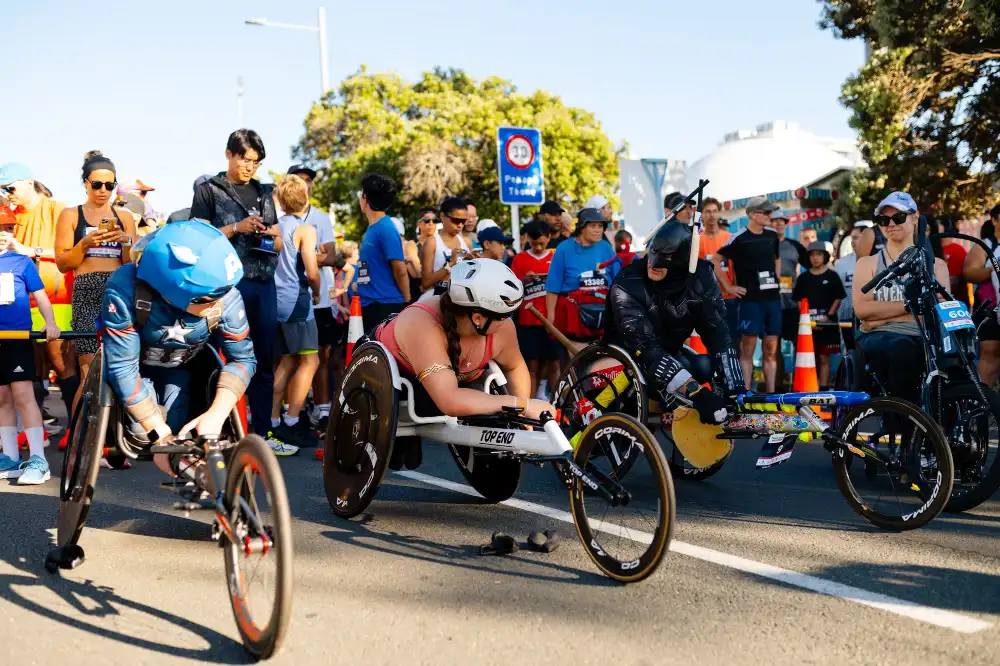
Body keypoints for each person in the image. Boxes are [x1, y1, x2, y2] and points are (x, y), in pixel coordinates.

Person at [101, 220, 257, 480]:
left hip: (185, 370)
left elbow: (243, 358)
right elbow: (122, 367)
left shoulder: (225, 295)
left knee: (189, 432)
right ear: (172, 290)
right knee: (144, 435)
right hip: (136, 369)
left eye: (223, 293)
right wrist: (158, 432)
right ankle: (201, 477)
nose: (219, 302)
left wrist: (216, 415)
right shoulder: (125, 289)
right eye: (207, 299)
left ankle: (213, 483)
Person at [373, 258, 552, 467]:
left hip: (444, 384)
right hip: (392, 380)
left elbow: (514, 366)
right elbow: (449, 400)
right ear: (477, 318)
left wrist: (523, 418)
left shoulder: (501, 327)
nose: (508, 320)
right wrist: (523, 405)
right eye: (505, 314)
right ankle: (405, 437)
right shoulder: (421, 325)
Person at [605, 221, 745, 425]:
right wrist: (698, 394)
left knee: (704, 365)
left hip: (670, 352)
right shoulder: (628, 283)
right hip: (628, 359)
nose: (652, 264)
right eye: (652, 255)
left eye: (664, 259)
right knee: (685, 367)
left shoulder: (701, 276)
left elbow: (718, 334)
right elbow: (645, 348)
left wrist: (736, 389)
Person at [189, 129, 281, 435]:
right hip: (226, 287)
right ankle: (220, 429)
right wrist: (236, 228)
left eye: (256, 162)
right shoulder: (209, 191)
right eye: (245, 159)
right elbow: (198, 240)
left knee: (264, 360)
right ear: (229, 154)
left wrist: (267, 234)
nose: (250, 167)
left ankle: (264, 432)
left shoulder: (266, 193)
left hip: (263, 284)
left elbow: (281, 242)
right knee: (224, 357)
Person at [853, 192, 949, 404]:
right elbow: (862, 310)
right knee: (902, 348)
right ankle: (902, 424)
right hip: (882, 340)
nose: (891, 224)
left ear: (915, 218)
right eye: (884, 220)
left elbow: (938, 313)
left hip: (923, 337)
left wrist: (881, 317)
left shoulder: (937, 265)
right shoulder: (867, 264)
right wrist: (913, 306)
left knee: (953, 359)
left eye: (898, 217)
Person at [54, 151, 136, 394]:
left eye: (110, 185)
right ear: (85, 184)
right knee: (88, 372)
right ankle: (83, 429)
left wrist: (125, 240)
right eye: (97, 184)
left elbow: (132, 263)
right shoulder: (70, 214)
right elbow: (62, 263)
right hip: (86, 288)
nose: (103, 190)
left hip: (119, 289)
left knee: (121, 366)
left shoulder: (124, 216)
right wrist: (85, 244)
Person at [0, 163, 76, 421]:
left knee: (60, 362)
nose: (8, 193)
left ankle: (76, 430)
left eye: (10, 187)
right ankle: (36, 428)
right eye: (3, 189)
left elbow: (73, 254)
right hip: (19, 302)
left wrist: (32, 251)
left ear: (29, 183)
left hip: (59, 299)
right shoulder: (12, 215)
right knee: (32, 367)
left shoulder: (57, 210)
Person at [0, 203, 61, 483]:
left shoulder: (21, 262)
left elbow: (41, 296)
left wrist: (50, 323)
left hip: (17, 339)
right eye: (0, 227)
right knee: (1, 400)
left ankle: (38, 459)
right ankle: (10, 457)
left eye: (9, 227)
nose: (5, 232)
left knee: (24, 395)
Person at [267, 176, 322, 454]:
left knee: (287, 362)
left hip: (276, 300)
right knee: (311, 362)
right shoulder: (305, 228)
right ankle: (291, 420)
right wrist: (318, 291)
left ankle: (273, 420)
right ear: (306, 198)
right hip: (298, 301)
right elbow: (311, 272)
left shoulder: (275, 227)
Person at [285, 165, 338, 430]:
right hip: (290, 298)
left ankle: (322, 410)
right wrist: (307, 253)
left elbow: (331, 256)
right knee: (287, 359)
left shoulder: (320, 218)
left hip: (319, 301)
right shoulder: (279, 218)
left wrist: (304, 255)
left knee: (321, 357)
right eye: (300, 180)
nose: (305, 185)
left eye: (309, 181)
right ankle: (288, 414)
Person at [711, 196, 782, 392]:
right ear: (753, 215)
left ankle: (771, 395)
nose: (770, 216)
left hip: (773, 300)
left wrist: (776, 277)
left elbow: (777, 259)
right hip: (750, 302)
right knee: (747, 348)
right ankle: (746, 395)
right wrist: (729, 287)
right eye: (766, 212)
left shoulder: (772, 235)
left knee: (771, 350)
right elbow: (716, 260)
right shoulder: (739, 238)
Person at [545, 208, 615, 342]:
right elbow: (553, 286)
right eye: (593, 226)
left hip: (602, 312)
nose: (598, 230)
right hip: (573, 314)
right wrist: (550, 316)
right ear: (581, 227)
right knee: (578, 358)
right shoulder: (563, 249)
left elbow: (616, 280)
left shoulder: (606, 247)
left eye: (600, 226)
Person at [510, 221, 561, 397]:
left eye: (542, 243)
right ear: (528, 240)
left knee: (554, 363)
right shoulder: (520, 259)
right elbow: (510, 288)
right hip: (528, 321)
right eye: (534, 244)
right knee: (531, 365)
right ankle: (530, 405)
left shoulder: (556, 257)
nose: (538, 248)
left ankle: (556, 405)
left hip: (552, 320)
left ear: (548, 238)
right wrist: (523, 281)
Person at [356, 173, 410, 332]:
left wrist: (407, 301)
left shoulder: (386, 228)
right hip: (371, 304)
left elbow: (399, 268)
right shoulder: (374, 228)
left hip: (385, 306)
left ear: (364, 197)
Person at [793, 241, 846, 388]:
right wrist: (806, 319)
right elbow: (798, 299)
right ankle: (807, 389)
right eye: (812, 255)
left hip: (827, 324)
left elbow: (838, 298)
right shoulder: (803, 278)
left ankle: (823, 389)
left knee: (824, 358)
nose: (815, 258)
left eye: (819, 254)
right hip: (807, 326)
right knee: (807, 357)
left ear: (825, 256)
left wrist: (828, 317)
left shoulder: (832, 276)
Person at [771, 209, 809, 390]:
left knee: (799, 344)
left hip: (793, 303)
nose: (778, 224)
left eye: (781, 221)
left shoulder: (794, 245)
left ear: (786, 224)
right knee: (772, 347)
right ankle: (776, 387)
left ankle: (798, 385)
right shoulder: (764, 244)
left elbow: (814, 265)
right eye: (774, 221)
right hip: (771, 303)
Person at [964, 203, 1000, 385]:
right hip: (990, 309)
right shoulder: (986, 245)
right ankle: (983, 403)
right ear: (994, 220)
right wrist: (993, 269)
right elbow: (969, 273)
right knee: (989, 351)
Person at [699, 197, 738, 348]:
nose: (712, 215)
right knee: (710, 343)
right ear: (701, 214)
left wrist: (733, 287)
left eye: (715, 211)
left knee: (733, 341)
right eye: (708, 211)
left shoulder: (729, 238)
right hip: (707, 299)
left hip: (729, 299)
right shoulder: (697, 241)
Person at [420, 196, 471, 294]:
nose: (460, 225)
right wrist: (450, 264)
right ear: (442, 216)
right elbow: (426, 283)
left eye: (463, 221)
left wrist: (472, 262)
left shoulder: (466, 242)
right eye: (456, 220)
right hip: (439, 299)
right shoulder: (432, 243)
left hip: (462, 298)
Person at [834, 221, 871, 350]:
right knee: (850, 352)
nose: (852, 241)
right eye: (852, 238)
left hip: (871, 317)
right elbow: (837, 292)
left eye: (856, 237)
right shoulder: (841, 264)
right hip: (846, 317)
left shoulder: (879, 261)